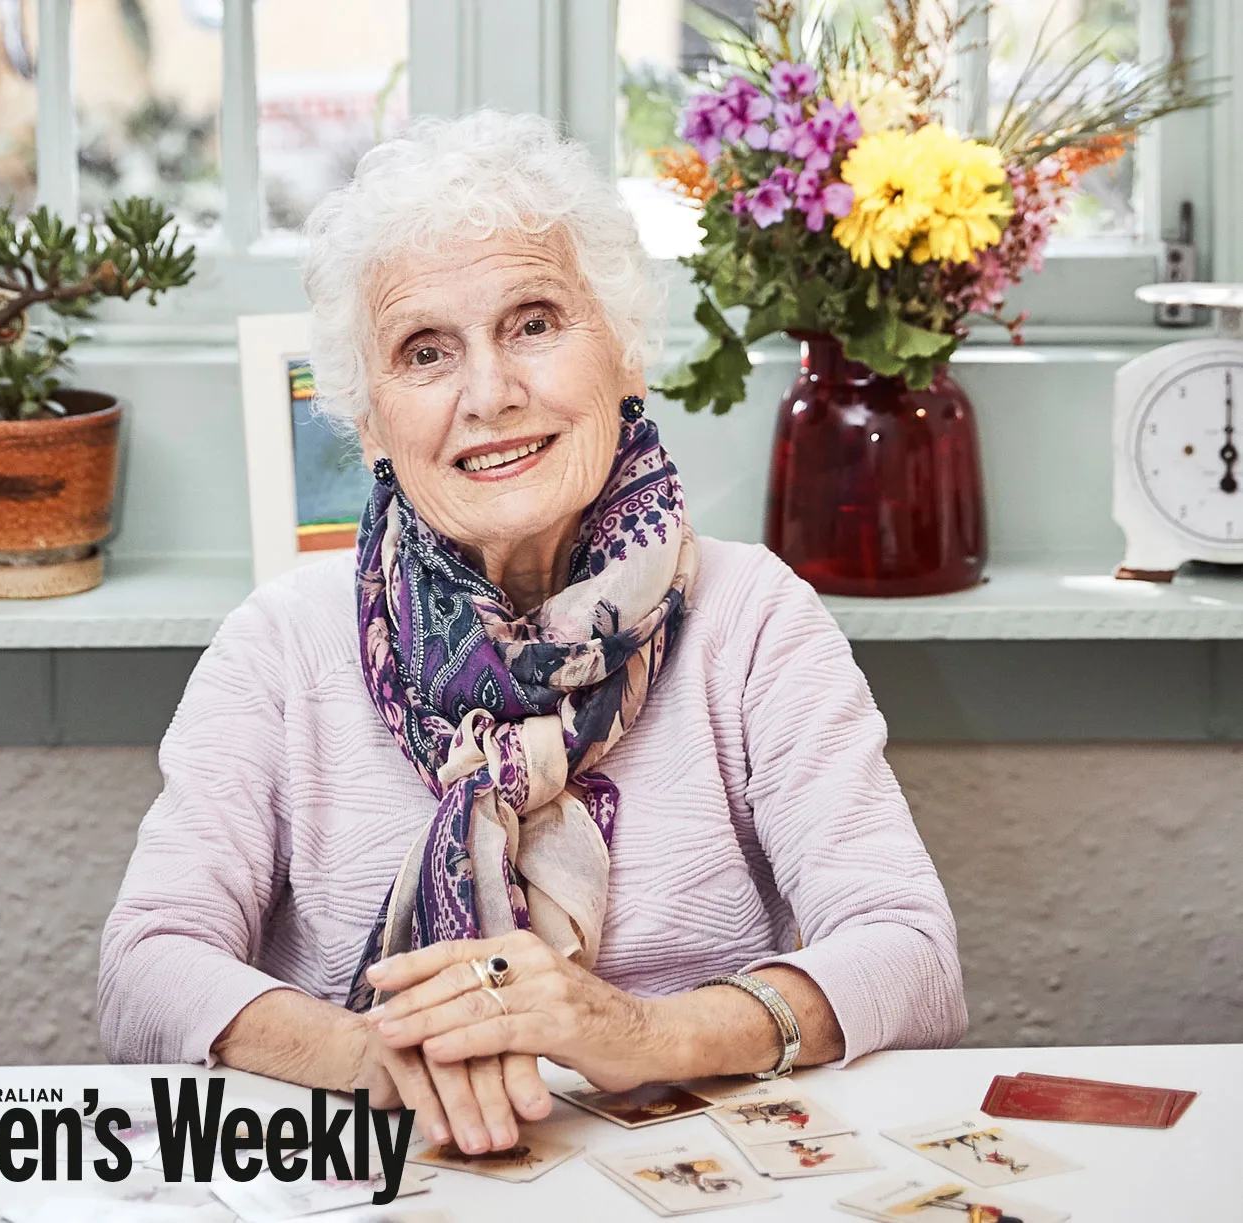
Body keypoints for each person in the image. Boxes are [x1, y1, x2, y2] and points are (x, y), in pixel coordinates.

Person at [98, 109, 966, 1160]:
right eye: (425, 351)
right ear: (371, 422)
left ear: (623, 357)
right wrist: (379, 1053)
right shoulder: (279, 642)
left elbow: (910, 959)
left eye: (534, 322)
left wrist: (632, 1029)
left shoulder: (752, 616)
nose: (490, 393)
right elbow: (144, 966)